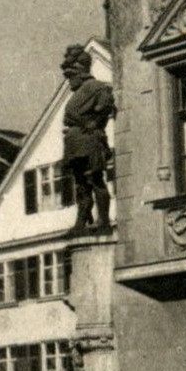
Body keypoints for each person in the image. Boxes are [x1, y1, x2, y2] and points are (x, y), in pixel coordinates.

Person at [60, 44, 117, 233]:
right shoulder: (79, 92)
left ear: (80, 73)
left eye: (70, 77)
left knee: (94, 179)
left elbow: (106, 107)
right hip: (76, 142)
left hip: (90, 140)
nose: (69, 82)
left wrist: (95, 123)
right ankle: (81, 221)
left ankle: (104, 221)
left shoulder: (97, 88)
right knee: (81, 185)